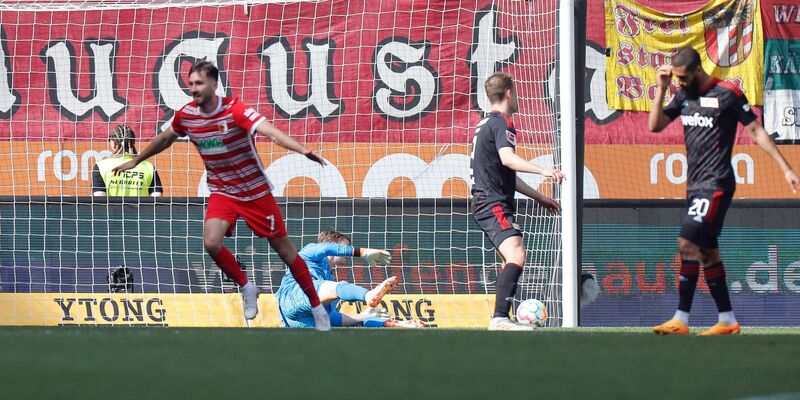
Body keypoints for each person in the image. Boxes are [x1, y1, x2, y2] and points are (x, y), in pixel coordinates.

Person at [112, 60, 332, 330]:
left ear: (214, 85)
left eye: (199, 83)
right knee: (211, 242)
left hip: (254, 191)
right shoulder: (187, 115)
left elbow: (272, 133)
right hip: (223, 192)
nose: (194, 88)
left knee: (285, 252)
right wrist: (137, 159)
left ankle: (316, 306)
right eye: (191, 83)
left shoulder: (235, 110)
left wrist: (303, 150)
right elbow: (166, 138)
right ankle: (247, 286)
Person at [649, 47, 800, 336]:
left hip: (716, 184)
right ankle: (727, 321)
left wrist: (786, 168)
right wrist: (662, 89)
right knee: (707, 253)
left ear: (697, 70)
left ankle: (680, 319)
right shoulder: (683, 95)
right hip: (694, 186)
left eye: (683, 77)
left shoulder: (727, 93)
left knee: (687, 243)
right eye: (677, 78)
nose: (680, 82)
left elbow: (756, 131)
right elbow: (655, 126)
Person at [470, 72, 565, 331]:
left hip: (487, 200)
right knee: (517, 253)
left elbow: (507, 173)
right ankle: (499, 318)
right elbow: (508, 159)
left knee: (509, 259)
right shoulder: (502, 123)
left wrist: (539, 196)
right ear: (509, 93)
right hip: (491, 202)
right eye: (516, 93)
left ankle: (503, 316)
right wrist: (543, 170)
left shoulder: (485, 123)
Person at [277, 230, 425, 329]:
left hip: (301, 322)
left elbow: (331, 318)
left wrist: (362, 316)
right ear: (332, 245)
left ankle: (391, 323)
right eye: (346, 247)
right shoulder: (309, 252)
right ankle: (368, 295)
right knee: (339, 287)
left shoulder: (328, 278)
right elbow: (325, 249)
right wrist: (363, 252)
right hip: (292, 296)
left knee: (350, 315)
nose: (347, 251)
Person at [92, 125, 163, 197]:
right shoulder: (149, 167)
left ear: (113, 143)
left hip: (112, 205)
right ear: (133, 143)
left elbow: (99, 198)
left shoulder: (101, 166)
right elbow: (157, 197)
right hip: (140, 205)